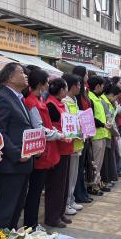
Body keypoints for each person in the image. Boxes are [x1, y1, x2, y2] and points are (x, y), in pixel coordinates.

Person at [0, 63, 33, 230]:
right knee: (6, 210)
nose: (26, 75)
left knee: (16, 209)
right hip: (11, 164)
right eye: (21, 72)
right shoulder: (2, 98)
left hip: (23, 163)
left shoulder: (18, 98)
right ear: (10, 78)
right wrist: (16, 154)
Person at [23, 69, 64, 229]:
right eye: (46, 82)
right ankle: (30, 224)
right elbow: (39, 129)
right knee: (35, 191)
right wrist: (58, 135)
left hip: (44, 150)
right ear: (40, 84)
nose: (48, 85)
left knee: (37, 190)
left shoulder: (38, 100)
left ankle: (32, 223)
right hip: (39, 152)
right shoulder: (32, 102)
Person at [45, 78, 76, 226]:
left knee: (63, 184)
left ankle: (60, 212)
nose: (66, 91)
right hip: (57, 149)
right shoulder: (50, 105)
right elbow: (51, 127)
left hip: (66, 147)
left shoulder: (61, 104)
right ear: (61, 90)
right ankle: (52, 217)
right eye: (65, 88)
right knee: (56, 185)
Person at [61, 74, 84, 214]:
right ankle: (66, 203)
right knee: (69, 177)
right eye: (79, 85)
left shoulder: (74, 101)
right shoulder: (65, 102)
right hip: (70, 144)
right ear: (73, 86)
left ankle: (71, 200)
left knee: (73, 175)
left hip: (77, 143)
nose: (80, 87)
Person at [72, 66, 92, 205]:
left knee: (82, 166)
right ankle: (78, 194)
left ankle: (82, 192)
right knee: (78, 168)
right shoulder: (77, 96)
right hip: (80, 133)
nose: (87, 77)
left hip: (86, 132)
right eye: (86, 74)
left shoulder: (84, 92)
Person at [87, 76, 111, 195]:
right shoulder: (90, 98)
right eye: (102, 86)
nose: (103, 88)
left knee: (99, 162)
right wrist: (103, 124)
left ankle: (97, 181)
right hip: (96, 135)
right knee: (95, 162)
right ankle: (92, 185)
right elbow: (91, 117)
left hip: (102, 133)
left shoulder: (97, 98)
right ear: (97, 86)